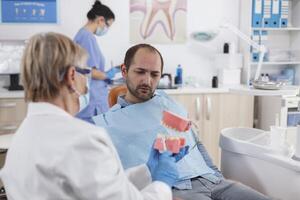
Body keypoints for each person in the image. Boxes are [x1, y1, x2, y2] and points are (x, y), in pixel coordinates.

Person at [0, 33, 188, 200]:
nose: (87, 83)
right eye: (86, 73)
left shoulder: (22, 137)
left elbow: (99, 186)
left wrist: (148, 170)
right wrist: (162, 183)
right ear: (72, 76)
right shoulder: (82, 139)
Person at [93, 44, 273, 200]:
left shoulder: (168, 103)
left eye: (155, 74)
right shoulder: (108, 123)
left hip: (212, 181)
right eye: (140, 72)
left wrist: (217, 175)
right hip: (177, 189)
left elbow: (196, 143)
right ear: (124, 71)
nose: (147, 81)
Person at [74, 0, 120, 123]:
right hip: (93, 101)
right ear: (100, 20)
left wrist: (106, 75)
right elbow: (88, 71)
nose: (107, 29)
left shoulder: (83, 35)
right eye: (108, 25)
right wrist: (107, 75)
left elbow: (85, 68)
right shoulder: (87, 37)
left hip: (93, 98)